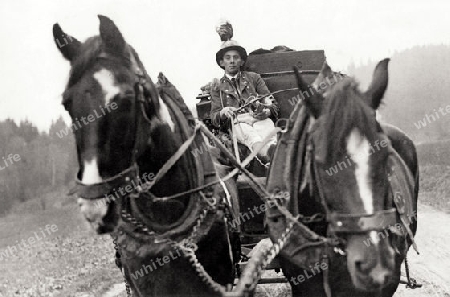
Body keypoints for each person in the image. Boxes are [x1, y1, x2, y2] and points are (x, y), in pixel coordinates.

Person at [210, 40, 278, 163]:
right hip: (238, 123)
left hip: (260, 119)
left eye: (236, 57)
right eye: (228, 58)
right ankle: (269, 162)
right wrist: (223, 112)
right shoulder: (217, 87)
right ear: (222, 62)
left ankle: (277, 162)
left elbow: (272, 104)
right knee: (252, 137)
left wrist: (266, 111)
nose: (232, 61)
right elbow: (214, 117)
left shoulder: (254, 78)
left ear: (241, 61)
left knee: (271, 136)